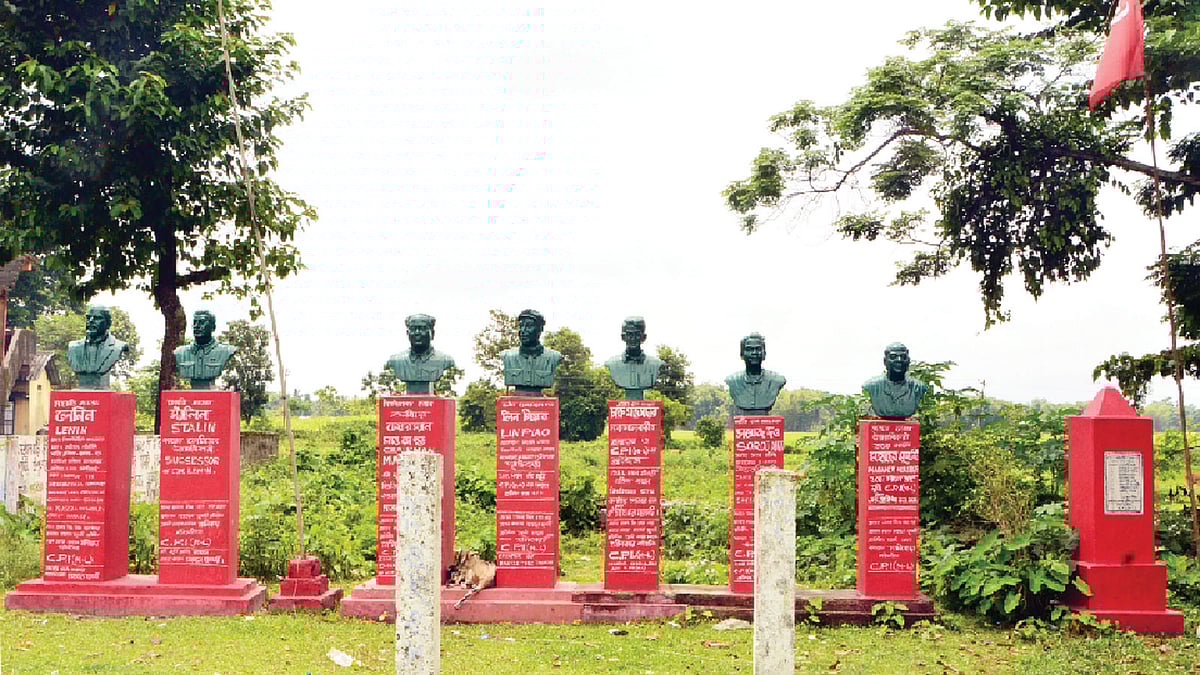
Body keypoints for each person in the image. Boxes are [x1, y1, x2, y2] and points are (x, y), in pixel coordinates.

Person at [386, 313, 456, 395]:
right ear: (407, 333)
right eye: (413, 329)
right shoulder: (396, 360)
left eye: (422, 328)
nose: (417, 333)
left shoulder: (445, 360)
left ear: (432, 334)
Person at [66, 305, 130, 390]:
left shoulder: (117, 346)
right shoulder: (73, 347)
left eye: (97, 318)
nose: (91, 321)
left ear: (108, 323)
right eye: (88, 318)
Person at [501, 309, 562, 394]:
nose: (523, 330)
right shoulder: (507, 356)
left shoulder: (553, 357)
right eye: (521, 326)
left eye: (529, 326)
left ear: (540, 329)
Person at [862, 342, 929, 419]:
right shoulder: (872, 386)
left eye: (903, 357)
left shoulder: (918, 388)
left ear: (908, 361)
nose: (899, 360)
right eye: (893, 357)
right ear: (885, 361)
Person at [173, 310, 236, 390]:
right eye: (195, 322)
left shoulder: (227, 351)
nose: (197, 326)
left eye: (202, 322)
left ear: (213, 327)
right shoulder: (180, 353)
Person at [725, 333, 786, 415]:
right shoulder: (733, 380)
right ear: (742, 354)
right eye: (749, 349)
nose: (754, 353)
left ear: (764, 354)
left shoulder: (776, 380)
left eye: (758, 349)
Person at [604, 316, 663, 401]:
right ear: (623, 337)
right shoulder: (612, 364)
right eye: (629, 334)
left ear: (644, 337)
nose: (633, 339)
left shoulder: (656, 365)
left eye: (637, 335)